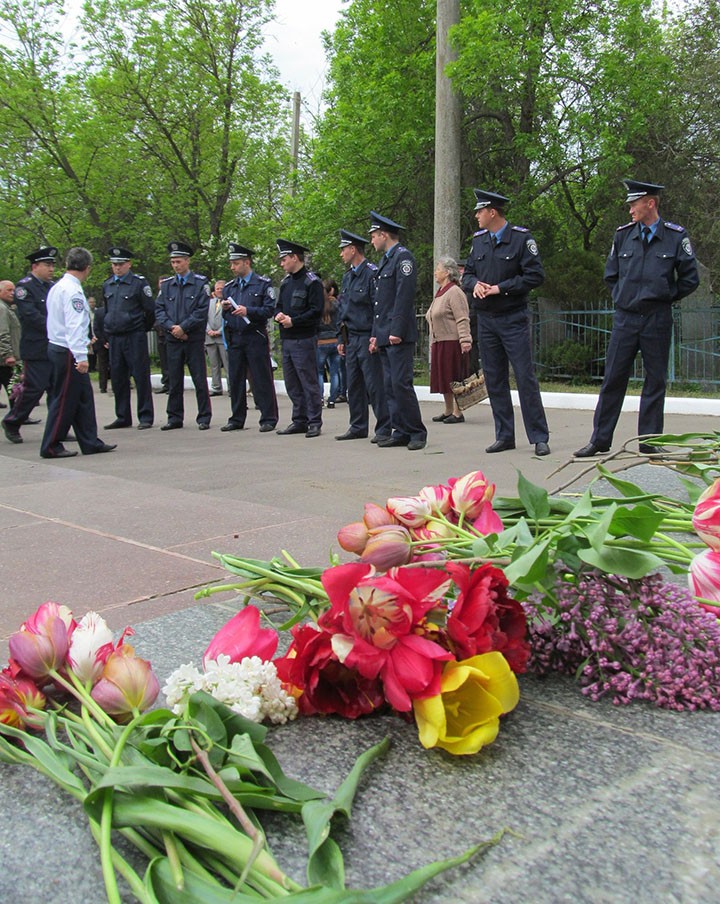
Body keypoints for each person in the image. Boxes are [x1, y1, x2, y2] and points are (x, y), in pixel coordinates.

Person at [575, 179, 700, 457]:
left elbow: (691, 279)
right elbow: (611, 275)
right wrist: (624, 297)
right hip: (626, 318)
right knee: (613, 379)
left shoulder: (676, 236)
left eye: (634, 203)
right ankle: (599, 440)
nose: (630, 209)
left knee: (655, 381)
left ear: (650, 203)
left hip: (657, 317)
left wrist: (665, 295)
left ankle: (649, 441)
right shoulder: (623, 235)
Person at [461, 189, 550, 456]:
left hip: (512, 318)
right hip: (486, 319)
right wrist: (475, 285)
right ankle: (504, 435)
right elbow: (467, 276)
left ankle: (539, 437)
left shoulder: (521, 239)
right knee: (495, 379)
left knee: (524, 377)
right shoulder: (478, 241)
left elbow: (535, 276)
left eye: (480, 211)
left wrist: (502, 288)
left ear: (493, 212)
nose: (476, 216)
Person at [40, 247, 116, 459]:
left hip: (60, 346)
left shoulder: (58, 287)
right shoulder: (72, 291)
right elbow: (73, 325)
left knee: (83, 398)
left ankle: (90, 441)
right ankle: (51, 444)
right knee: (64, 399)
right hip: (67, 350)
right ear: (87, 268)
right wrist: (81, 356)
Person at [368, 211, 427, 451]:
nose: (372, 240)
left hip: (397, 333)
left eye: (373, 236)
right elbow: (380, 303)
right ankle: (400, 429)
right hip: (384, 332)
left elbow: (404, 296)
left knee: (401, 383)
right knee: (389, 385)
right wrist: (375, 333)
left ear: (384, 234)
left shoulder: (404, 258)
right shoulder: (385, 261)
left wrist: (397, 329)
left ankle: (416, 431)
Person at [335, 229, 390, 442]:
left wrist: (376, 336)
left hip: (367, 335)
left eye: (343, 249)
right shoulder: (347, 277)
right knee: (354, 384)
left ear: (353, 249)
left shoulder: (371, 273)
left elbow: (378, 308)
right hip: (351, 337)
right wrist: (341, 338)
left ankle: (384, 427)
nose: (341, 253)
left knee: (375, 385)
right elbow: (343, 310)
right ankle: (357, 425)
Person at [220, 242, 278, 433]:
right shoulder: (230, 287)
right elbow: (225, 314)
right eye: (231, 264)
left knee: (261, 378)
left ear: (246, 262)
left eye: (236, 263)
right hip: (235, 337)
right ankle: (237, 417)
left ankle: (268, 417)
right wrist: (227, 310)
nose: (232, 267)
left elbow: (269, 309)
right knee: (235, 379)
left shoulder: (262, 284)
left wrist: (248, 311)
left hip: (255, 335)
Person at [2, 247, 57, 444]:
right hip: (36, 347)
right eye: (47, 265)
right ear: (35, 266)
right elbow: (31, 316)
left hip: (53, 345)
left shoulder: (52, 286)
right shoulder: (24, 288)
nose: (51, 269)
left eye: (52, 265)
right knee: (35, 388)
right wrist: (55, 327)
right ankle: (13, 421)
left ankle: (57, 427)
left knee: (56, 389)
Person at [155, 242, 212, 430]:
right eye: (173, 262)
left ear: (187, 261)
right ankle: (174, 417)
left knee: (199, 379)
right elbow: (160, 310)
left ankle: (204, 417)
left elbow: (201, 310)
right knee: (174, 379)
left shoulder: (200, 283)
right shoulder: (167, 285)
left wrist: (184, 328)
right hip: (173, 338)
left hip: (192, 339)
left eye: (179, 261)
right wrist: (172, 328)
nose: (176, 265)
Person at [274, 239, 323, 438]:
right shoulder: (286, 283)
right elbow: (277, 306)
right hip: (287, 340)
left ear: (295, 257)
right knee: (292, 383)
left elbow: (316, 311)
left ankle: (314, 421)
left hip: (303, 338)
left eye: (284, 259)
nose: (282, 263)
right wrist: (278, 315)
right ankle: (299, 419)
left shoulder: (312, 282)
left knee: (308, 382)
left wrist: (294, 321)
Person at [102, 247, 155, 430]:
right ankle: (123, 416)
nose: (117, 268)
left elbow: (150, 310)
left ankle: (145, 415)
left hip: (134, 335)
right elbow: (107, 310)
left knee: (140, 376)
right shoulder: (108, 284)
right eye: (114, 264)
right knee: (118, 377)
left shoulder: (138, 283)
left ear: (129, 264)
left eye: (120, 264)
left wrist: (140, 327)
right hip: (115, 336)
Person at [426, 257, 472, 424]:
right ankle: (448, 410)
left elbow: (462, 318)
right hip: (439, 341)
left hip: (453, 341)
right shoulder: (440, 292)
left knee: (454, 377)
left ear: (447, 272)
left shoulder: (455, 292)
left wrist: (465, 340)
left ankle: (458, 412)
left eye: (437, 269)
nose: (435, 272)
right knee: (444, 378)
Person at [316, 278, 342, 408]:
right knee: (334, 372)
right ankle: (332, 399)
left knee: (319, 372)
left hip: (321, 342)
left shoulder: (318, 305)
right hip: (335, 340)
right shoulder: (336, 304)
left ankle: (320, 398)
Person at [206, 279, 229, 397]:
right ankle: (216, 387)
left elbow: (228, 319)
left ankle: (231, 387)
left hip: (222, 338)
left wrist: (219, 331)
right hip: (210, 338)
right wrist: (209, 330)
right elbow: (204, 318)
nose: (219, 291)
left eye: (221, 288)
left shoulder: (229, 302)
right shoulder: (209, 303)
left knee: (227, 364)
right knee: (214, 365)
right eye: (217, 289)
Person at [0, 280, 21, 407]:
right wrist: (8, 354)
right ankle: (16, 416)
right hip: (4, 359)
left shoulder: (7, 308)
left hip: (5, 357)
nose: (12, 293)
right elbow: (2, 333)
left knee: (12, 387)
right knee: (13, 387)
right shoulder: (2, 309)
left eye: (13, 290)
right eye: (9, 290)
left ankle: (16, 415)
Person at [92, 300, 110, 392]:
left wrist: (103, 341)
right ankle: (116, 385)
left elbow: (96, 329)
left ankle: (103, 386)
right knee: (115, 364)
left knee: (102, 365)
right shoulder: (113, 310)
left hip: (101, 342)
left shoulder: (98, 312)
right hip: (112, 341)